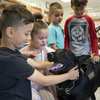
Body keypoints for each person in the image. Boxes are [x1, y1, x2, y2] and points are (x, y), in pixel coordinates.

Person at [0, 4, 79, 100]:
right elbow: (44, 80)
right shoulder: (12, 60)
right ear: (10, 32)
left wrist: (55, 65)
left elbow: (36, 64)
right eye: (26, 34)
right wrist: (68, 75)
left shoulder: (11, 53)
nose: (29, 38)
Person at [20, 12, 58, 100]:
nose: (44, 41)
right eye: (40, 38)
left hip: (43, 88)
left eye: (46, 37)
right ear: (31, 37)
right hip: (28, 89)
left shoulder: (50, 52)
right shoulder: (22, 53)